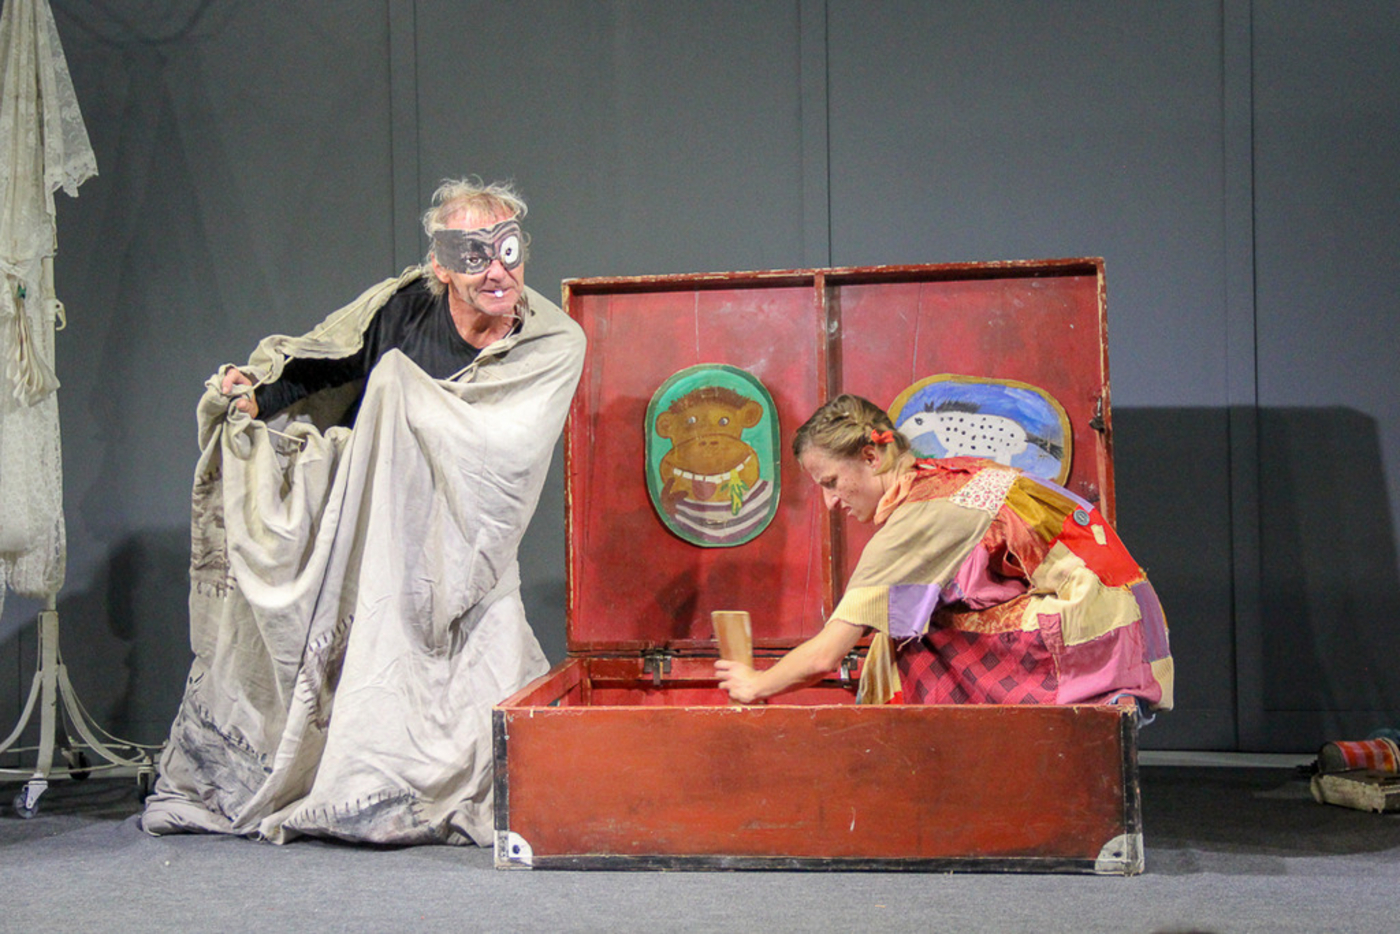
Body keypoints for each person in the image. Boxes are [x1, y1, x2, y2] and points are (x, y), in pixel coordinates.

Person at [141, 178, 585, 846]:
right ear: (442, 266)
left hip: (466, 549)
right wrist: (258, 397)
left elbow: (505, 454)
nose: (497, 271)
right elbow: (327, 361)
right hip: (370, 533)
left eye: (509, 251)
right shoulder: (403, 308)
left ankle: (408, 783)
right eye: (474, 255)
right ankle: (344, 780)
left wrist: (404, 399)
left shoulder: (549, 343)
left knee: (485, 693)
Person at [715, 394, 1173, 711]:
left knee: (909, 642)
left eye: (831, 482)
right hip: (1122, 625)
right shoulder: (945, 477)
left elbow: (825, 657)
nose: (831, 502)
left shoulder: (921, 515)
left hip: (1097, 634)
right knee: (907, 619)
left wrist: (756, 684)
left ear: (872, 458)